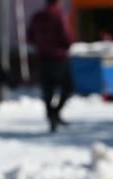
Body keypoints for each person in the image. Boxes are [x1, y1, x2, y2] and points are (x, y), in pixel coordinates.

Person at [28, 0, 74, 133]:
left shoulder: (37, 16)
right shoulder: (59, 16)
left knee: (48, 91)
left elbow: (30, 36)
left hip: (42, 59)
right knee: (68, 87)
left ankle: (51, 117)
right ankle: (55, 113)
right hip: (59, 58)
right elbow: (67, 37)